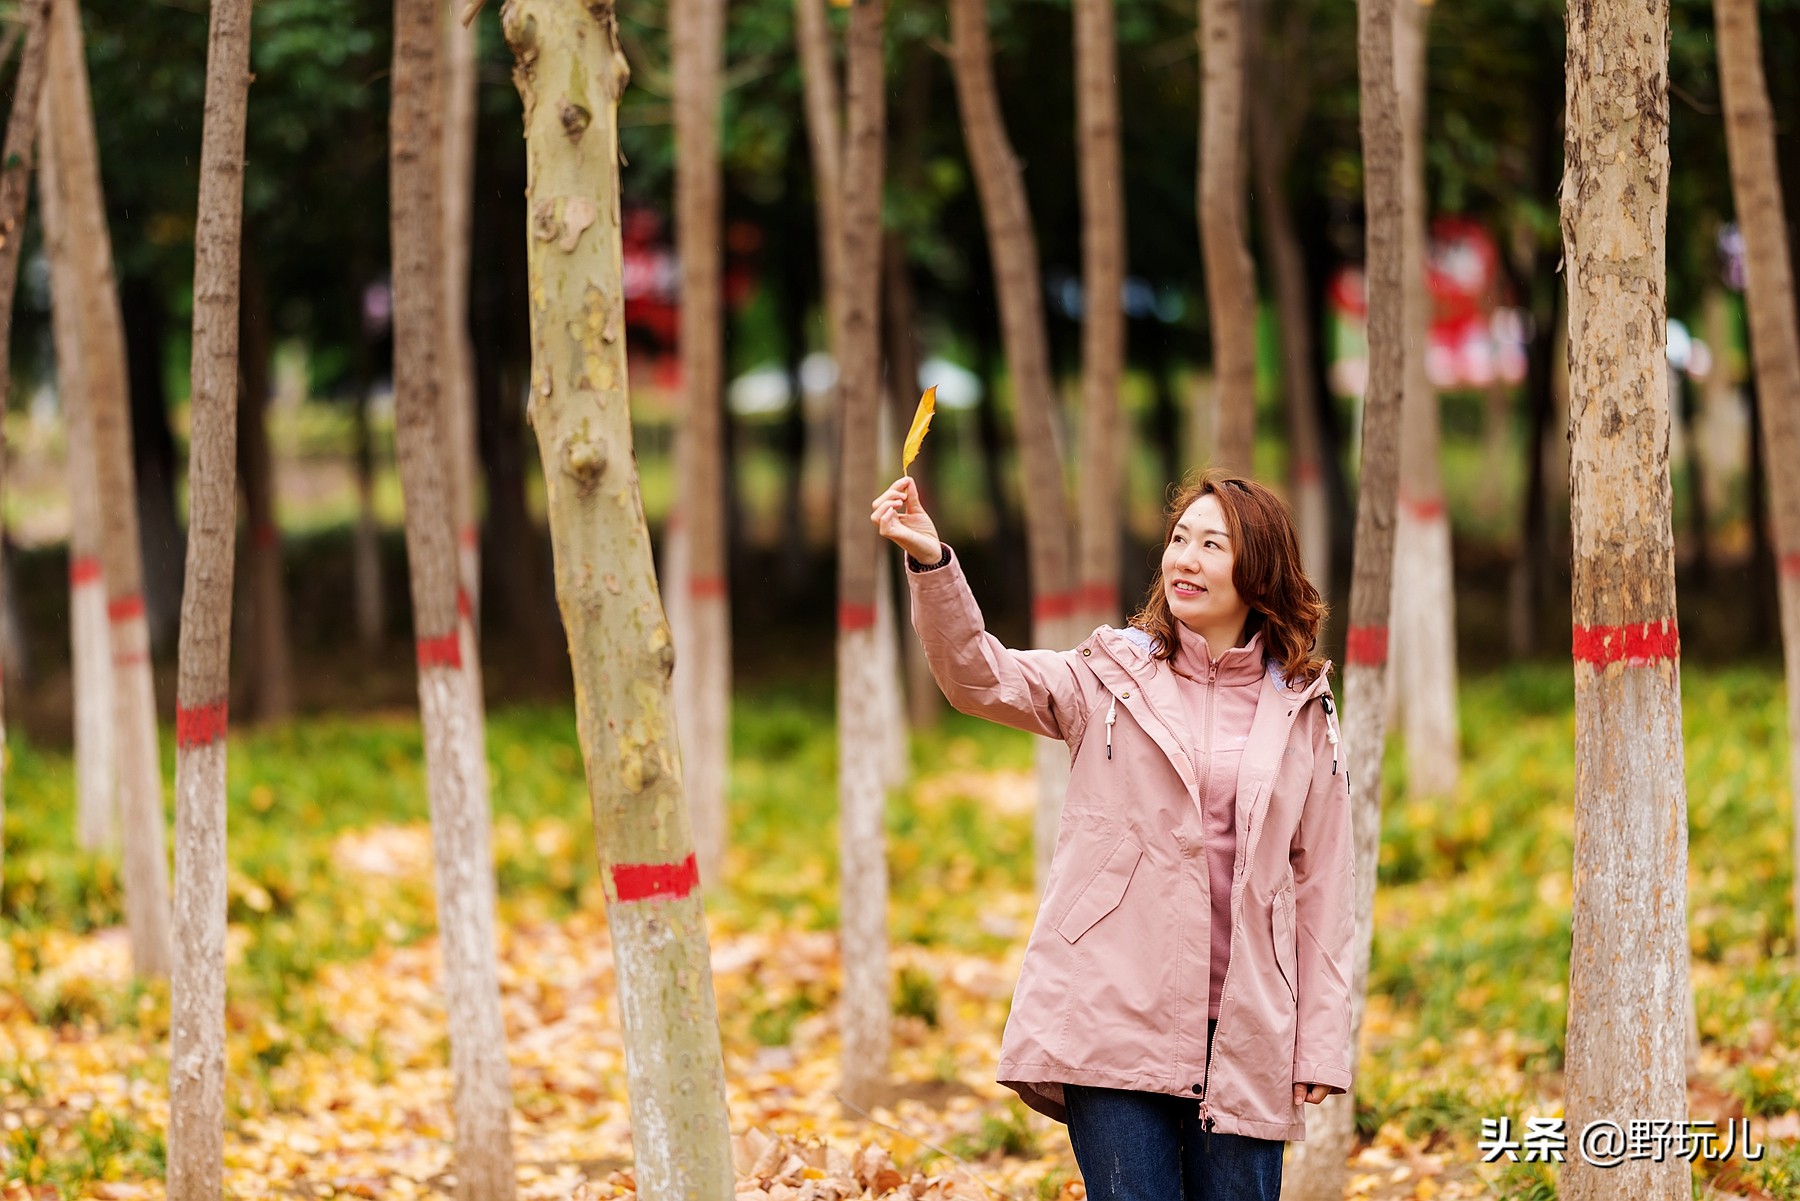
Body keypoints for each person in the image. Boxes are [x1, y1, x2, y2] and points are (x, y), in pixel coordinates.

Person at [869, 470, 1355, 1201]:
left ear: (1259, 570)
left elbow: (1322, 882)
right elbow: (978, 676)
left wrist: (1318, 1039)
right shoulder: (1107, 676)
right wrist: (932, 562)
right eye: (1179, 539)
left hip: (1247, 1025)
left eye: (1212, 545)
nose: (1184, 558)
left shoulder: (1302, 707)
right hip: (1112, 1009)